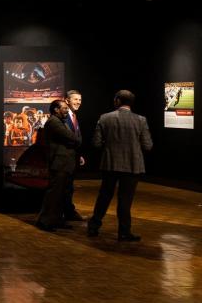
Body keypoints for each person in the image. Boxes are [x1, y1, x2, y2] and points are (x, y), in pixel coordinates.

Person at [87, 90, 153, 241]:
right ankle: (124, 232)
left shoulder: (104, 118)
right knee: (125, 200)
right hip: (132, 165)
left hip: (110, 163)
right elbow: (148, 145)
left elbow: (96, 143)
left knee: (104, 196)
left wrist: (109, 145)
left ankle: (93, 226)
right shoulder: (141, 120)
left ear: (117, 101)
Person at [35, 99, 80, 232]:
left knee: (61, 195)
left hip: (64, 164)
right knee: (54, 194)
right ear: (56, 109)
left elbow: (71, 139)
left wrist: (74, 141)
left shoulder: (59, 122)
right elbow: (73, 138)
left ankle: (57, 220)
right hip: (59, 163)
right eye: (65, 108)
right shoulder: (54, 122)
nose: (67, 110)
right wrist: (75, 141)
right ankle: (44, 221)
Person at [62, 89, 85, 222]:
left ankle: (69, 212)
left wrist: (79, 155)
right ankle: (66, 212)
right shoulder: (64, 117)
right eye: (76, 99)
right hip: (65, 158)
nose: (78, 102)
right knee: (65, 187)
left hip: (72, 157)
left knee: (69, 187)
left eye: (80, 100)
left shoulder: (74, 116)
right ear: (67, 100)